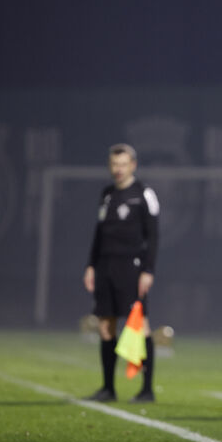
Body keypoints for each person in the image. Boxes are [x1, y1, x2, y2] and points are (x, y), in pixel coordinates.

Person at [82, 143, 159, 403]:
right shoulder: (107, 194)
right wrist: (91, 265)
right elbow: (98, 233)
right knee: (106, 326)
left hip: (132, 268)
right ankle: (108, 388)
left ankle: (147, 389)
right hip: (105, 267)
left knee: (140, 325)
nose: (118, 169)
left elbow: (153, 237)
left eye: (123, 164)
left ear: (133, 165)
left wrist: (148, 270)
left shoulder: (144, 194)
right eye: (114, 165)